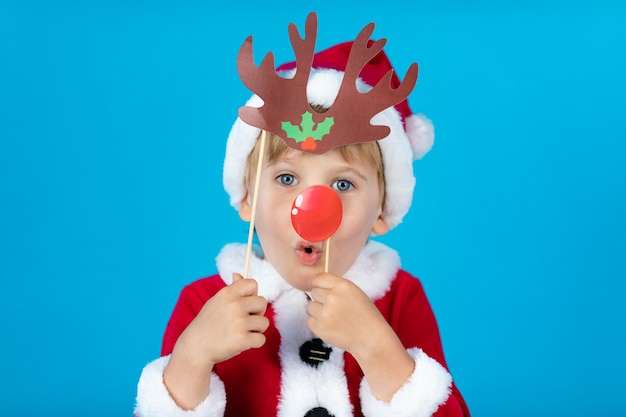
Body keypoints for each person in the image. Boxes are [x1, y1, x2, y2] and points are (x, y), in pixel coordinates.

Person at [135, 12, 470, 417]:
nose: (311, 206)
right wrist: (193, 356)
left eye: (343, 184)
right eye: (287, 177)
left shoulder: (401, 299)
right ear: (247, 198)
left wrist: (377, 347)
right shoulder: (203, 303)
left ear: (382, 211)